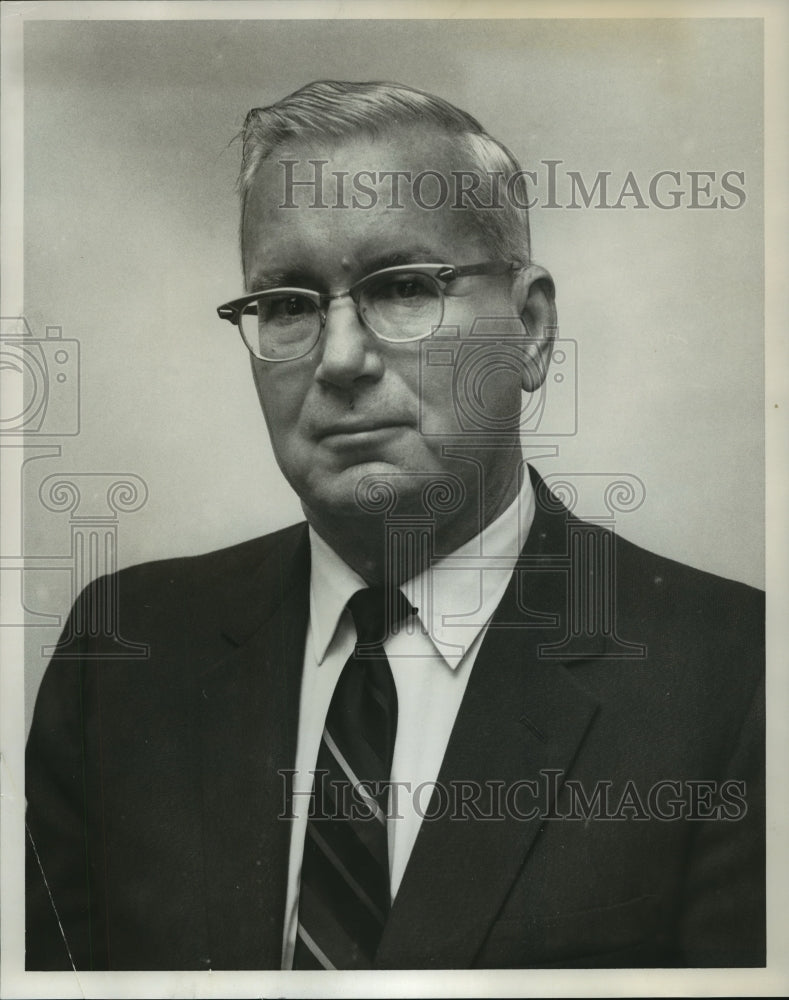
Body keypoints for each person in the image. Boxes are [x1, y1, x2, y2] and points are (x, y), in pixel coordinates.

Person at [25, 80, 764, 971]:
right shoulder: (122, 655)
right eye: (290, 304)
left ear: (529, 330)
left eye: (405, 287)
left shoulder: (741, 677)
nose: (340, 359)